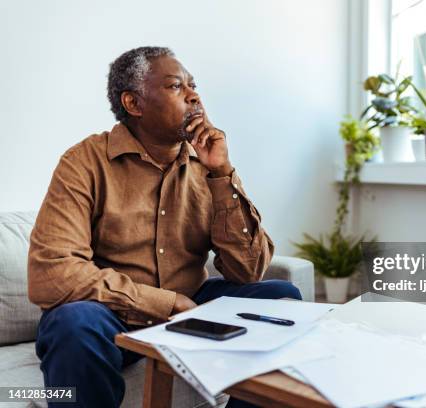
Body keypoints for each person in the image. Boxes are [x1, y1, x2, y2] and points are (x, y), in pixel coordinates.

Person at [27, 46, 301, 408]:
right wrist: (165, 303)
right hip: (111, 316)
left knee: (282, 299)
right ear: (134, 103)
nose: (194, 95)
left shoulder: (207, 165)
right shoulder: (84, 162)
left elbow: (249, 272)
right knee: (74, 323)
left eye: (193, 85)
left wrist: (221, 173)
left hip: (192, 310)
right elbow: (53, 274)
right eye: (176, 86)